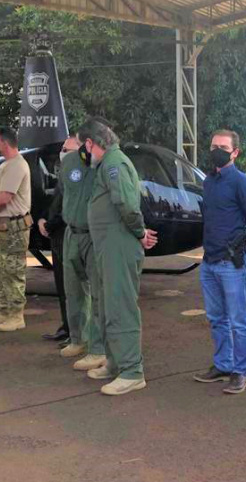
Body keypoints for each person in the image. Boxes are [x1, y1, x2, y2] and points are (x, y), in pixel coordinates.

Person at [79, 119, 158, 395]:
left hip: (118, 245)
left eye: (83, 147)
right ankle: (115, 362)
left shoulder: (114, 163)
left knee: (120, 306)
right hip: (108, 247)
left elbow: (125, 204)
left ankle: (132, 371)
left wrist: (138, 233)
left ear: (90, 143)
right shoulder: (107, 164)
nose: (83, 153)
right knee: (107, 305)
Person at [191, 130, 246, 395]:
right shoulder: (209, 181)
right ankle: (223, 365)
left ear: (235, 152)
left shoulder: (242, 182)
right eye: (213, 146)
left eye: (223, 146)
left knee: (238, 320)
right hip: (210, 261)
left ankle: (241, 372)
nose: (217, 150)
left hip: (232, 263)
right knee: (216, 318)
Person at [57, 134, 106, 370]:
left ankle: (98, 348)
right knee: (73, 291)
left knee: (98, 294)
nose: (64, 152)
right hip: (71, 233)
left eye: (68, 148)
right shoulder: (68, 164)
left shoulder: (104, 163)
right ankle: (78, 339)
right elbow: (62, 194)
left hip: (94, 235)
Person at [0, 126, 32, 333]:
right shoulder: (6, 165)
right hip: (0, 226)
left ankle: (16, 315)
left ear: (4, 141)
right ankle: (4, 310)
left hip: (13, 227)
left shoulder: (17, 165)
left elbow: (5, 197)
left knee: (13, 271)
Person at [38, 142, 73, 344]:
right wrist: (43, 219)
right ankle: (66, 326)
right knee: (61, 284)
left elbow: (69, 208)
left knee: (71, 286)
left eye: (67, 150)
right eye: (63, 150)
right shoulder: (65, 174)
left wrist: (50, 225)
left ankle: (74, 330)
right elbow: (54, 202)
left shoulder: (78, 175)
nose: (62, 154)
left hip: (66, 233)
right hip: (57, 236)